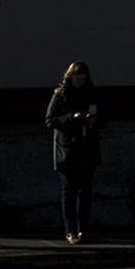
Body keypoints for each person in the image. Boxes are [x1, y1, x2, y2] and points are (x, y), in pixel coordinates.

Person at [45, 60, 101, 243]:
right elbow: (50, 120)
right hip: (67, 148)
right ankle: (70, 230)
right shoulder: (61, 95)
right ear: (70, 78)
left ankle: (82, 229)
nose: (80, 83)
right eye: (77, 79)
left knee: (84, 192)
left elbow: (102, 114)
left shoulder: (90, 94)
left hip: (86, 146)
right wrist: (72, 118)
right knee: (69, 190)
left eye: (83, 79)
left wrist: (93, 120)